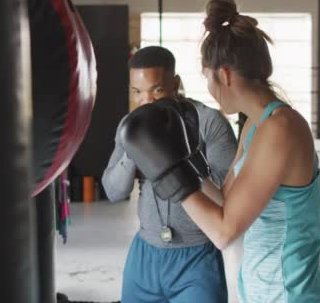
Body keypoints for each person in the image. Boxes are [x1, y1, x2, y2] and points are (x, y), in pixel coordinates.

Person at [119, 0, 320, 303]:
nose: (207, 86)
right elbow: (225, 201)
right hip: (264, 291)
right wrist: (187, 160)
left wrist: (169, 173)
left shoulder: (281, 129)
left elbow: (223, 233)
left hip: (291, 295)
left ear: (225, 74)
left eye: (207, 76)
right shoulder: (255, 125)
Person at [101, 46, 237, 302]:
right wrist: (135, 149)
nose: (146, 102)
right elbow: (113, 192)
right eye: (137, 92)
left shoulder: (209, 122)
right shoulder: (129, 126)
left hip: (196, 256)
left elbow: (227, 197)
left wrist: (182, 157)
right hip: (145, 255)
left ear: (175, 84)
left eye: (156, 90)